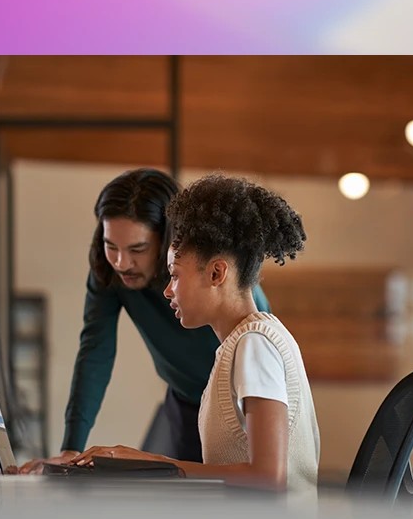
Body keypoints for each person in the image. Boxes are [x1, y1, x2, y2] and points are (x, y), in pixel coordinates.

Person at [71, 174, 321, 494]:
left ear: (217, 273)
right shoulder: (240, 345)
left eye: (174, 275)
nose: (166, 290)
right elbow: (94, 349)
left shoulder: (254, 346)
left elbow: (268, 476)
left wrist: (154, 462)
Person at [17, 168, 269, 473]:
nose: (122, 263)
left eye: (138, 249)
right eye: (111, 246)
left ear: (168, 241)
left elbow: (259, 354)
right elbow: (95, 351)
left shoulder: (214, 279)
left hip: (237, 403)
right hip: (184, 400)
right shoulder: (109, 272)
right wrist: (71, 447)